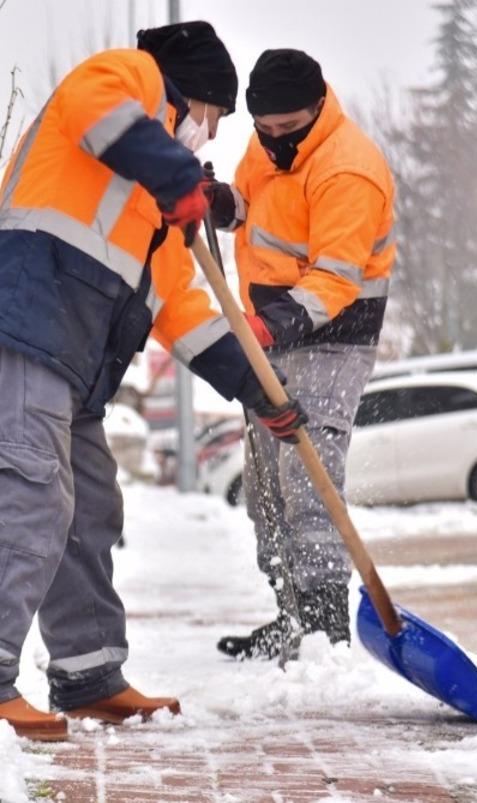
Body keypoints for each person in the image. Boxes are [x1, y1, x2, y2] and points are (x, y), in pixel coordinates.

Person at [0, 22, 308, 742]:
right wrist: (177, 173)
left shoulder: (149, 208)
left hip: (72, 359)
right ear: (193, 100)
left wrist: (256, 388)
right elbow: (96, 109)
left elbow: (186, 311)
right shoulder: (129, 75)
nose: (206, 137)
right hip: (26, 322)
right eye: (211, 121)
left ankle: (89, 672)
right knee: (29, 491)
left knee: (89, 509)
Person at [205, 49, 396, 660]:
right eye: (267, 129)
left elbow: (337, 279)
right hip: (273, 330)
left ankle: (324, 626)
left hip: (333, 334)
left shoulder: (349, 170)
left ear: (318, 106)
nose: (277, 141)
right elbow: (253, 208)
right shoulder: (265, 145)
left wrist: (274, 323)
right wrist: (220, 204)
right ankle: (290, 612)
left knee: (307, 479)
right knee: (266, 485)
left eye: (290, 129)